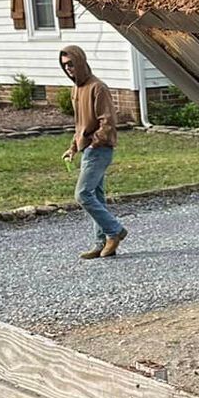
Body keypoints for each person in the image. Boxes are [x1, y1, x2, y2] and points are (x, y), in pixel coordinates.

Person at [59, 45, 128, 259]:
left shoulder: (98, 87)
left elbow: (107, 122)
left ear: (80, 61)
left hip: (100, 149)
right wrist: (73, 148)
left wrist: (93, 143)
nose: (68, 68)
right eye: (64, 66)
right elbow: (81, 124)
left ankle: (115, 231)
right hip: (88, 149)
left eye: (71, 63)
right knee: (96, 195)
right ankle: (102, 243)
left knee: (83, 194)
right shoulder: (76, 90)